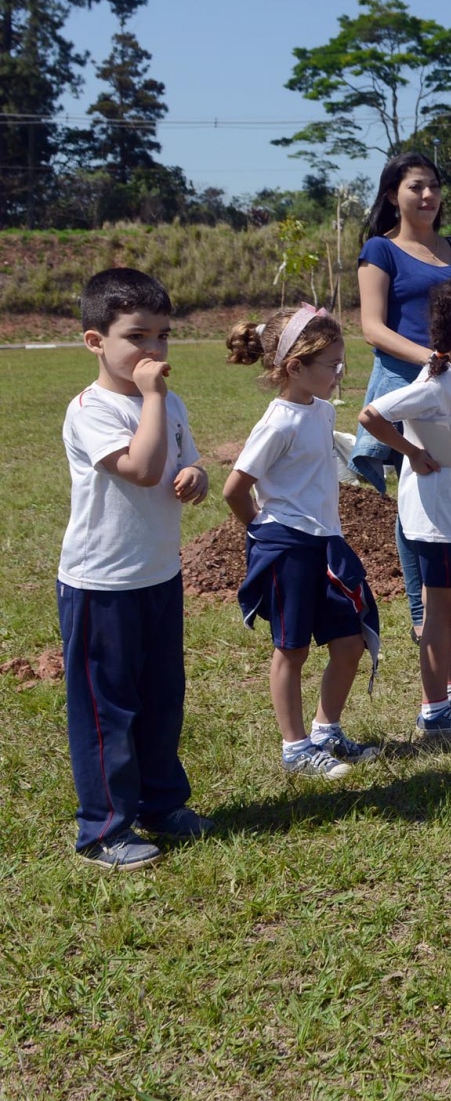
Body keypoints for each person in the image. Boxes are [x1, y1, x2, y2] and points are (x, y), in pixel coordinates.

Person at [58, 269, 210, 869]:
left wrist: (195, 474)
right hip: (103, 584)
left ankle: (160, 802)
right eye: (137, 337)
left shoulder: (170, 403)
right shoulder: (91, 411)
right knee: (107, 707)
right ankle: (103, 830)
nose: (153, 352)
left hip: (156, 574)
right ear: (95, 341)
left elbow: (181, 461)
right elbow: (144, 469)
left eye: (163, 337)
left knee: (160, 696)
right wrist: (150, 397)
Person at [225, 306, 380, 781]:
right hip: (286, 545)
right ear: (295, 367)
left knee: (349, 642)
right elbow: (235, 487)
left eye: (341, 363)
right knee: (291, 650)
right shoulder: (278, 422)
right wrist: (262, 533)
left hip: (326, 541)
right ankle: (295, 748)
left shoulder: (324, 410)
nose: (338, 374)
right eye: (331, 365)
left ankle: (326, 730)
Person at [356, 278, 451, 743]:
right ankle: (436, 712)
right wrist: (410, 453)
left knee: (443, 613)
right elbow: (371, 414)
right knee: (440, 616)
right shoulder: (436, 384)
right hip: (437, 519)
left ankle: (446, 694)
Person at [351, 152, 451, 641]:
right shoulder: (379, 250)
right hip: (407, 386)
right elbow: (372, 328)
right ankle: (422, 612)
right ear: (392, 196)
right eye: (415, 187)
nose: (427, 196)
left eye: (433, 187)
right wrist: (430, 356)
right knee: (416, 493)